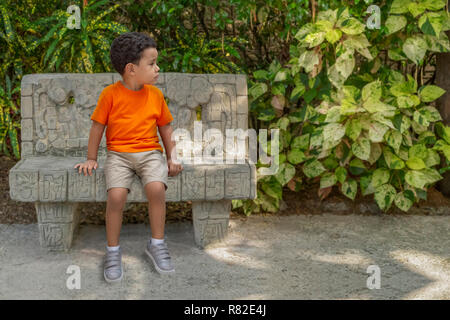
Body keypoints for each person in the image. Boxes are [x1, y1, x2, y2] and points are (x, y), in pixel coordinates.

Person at [74, 32, 183, 283]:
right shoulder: (110, 95)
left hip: (150, 153)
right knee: (116, 195)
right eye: (152, 63)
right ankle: (112, 251)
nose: (158, 68)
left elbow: (165, 128)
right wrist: (91, 158)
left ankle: (156, 244)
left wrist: (172, 157)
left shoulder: (155, 95)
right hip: (119, 155)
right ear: (131, 69)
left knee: (156, 188)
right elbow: (97, 127)